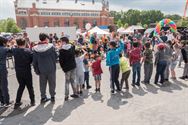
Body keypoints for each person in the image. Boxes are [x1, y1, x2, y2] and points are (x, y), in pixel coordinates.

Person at [33, 33, 57, 104]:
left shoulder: (35, 48)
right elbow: (55, 57)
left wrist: (36, 70)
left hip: (41, 69)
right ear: (46, 38)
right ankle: (52, 97)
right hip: (51, 68)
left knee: (42, 84)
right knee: (52, 83)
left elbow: (34, 62)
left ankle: (43, 98)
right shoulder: (51, 47)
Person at [12, 38, 35, 109]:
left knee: (21, 86)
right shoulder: (28, 51)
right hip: (27, 71)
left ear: (17, 44)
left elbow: (10, 49)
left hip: (18, 71)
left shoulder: (14, 50)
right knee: (30, 86)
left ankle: (17, 102)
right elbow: (32, 61)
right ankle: (32, 101)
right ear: (24, 43)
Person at [59, 37, 78, 101]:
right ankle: (75, 93)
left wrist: (63, 68)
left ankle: (66, 96)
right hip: (73, 66)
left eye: (61, 41)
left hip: (67, 68)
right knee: (73, 80)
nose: (60, 43)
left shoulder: (61, 50)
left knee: (67, 82)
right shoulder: (72, 47)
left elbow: (61, 61)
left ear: (64, 42)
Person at [0, 36, 11, 107]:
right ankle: (7, 101)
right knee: (4, 85)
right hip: (2, 68)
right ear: (3, 43)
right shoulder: (5, 49)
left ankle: (2, 101)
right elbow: (13, 53)